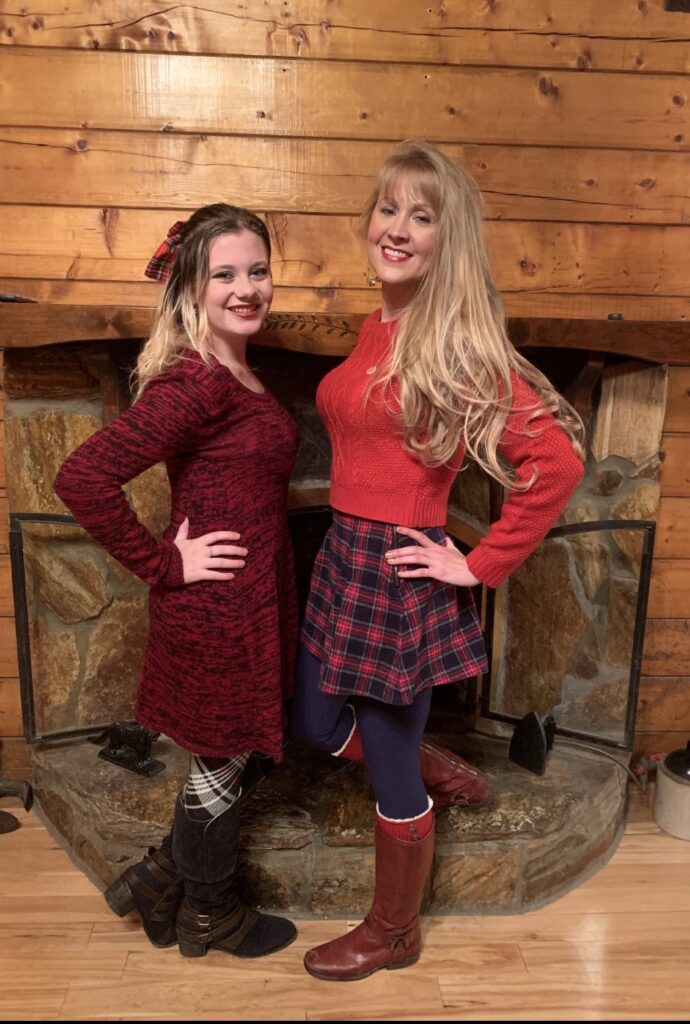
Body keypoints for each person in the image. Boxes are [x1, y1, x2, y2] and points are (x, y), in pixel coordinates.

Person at [290, 140, 585, 981]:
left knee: (386, 772)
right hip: (344, 554)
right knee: (311, 720)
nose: (397, 228)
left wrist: (477, 563)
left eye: (422, 217)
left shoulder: (457, 344)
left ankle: (393, 932)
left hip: (398, 571)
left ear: (445, 242)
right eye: (389, 209)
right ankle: (435, 763)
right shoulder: (378, 324)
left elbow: (556, 461)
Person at [54, 204, 299, 960]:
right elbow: (82, 476)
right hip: (217, 614)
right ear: (192, 288)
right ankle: (209, 915)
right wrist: (165, 562)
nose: (246, 288)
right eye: (224, 273)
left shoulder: (235, 372)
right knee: (224, 761)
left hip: (249, 606)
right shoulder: (196, 382)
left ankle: (159, 880)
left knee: (229, 758)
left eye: (256, 271)